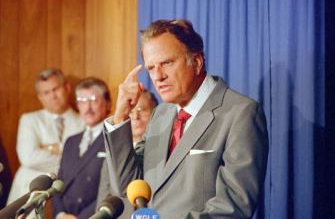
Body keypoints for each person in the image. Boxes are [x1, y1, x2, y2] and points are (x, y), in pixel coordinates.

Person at [103, 19, 269, 218]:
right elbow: (128, 184)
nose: (158, 76)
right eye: (151, 68)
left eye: (167, 63)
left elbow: (232, 207)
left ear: (196, 62)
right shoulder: (160, 114)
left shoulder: (240, 113)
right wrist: (120, 116)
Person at [7, 68, 84, 204]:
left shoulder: (84, 122)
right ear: (40, 97)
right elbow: (29, 158)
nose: (52, 96)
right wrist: (68, 156)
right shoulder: (29, 120)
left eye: (55, 89)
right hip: (29, 193)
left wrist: (50, 148)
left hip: (69, 193)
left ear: (67, 88)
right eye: (46, 92)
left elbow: (84, 159)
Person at [53, 77, 112, 219]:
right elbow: (58, 184)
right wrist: (61, 214)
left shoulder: (113, 139)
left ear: (108, 104)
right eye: (82, 101)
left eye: (94, 100)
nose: (88, 107)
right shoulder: (71, 142)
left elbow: (110, 189)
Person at [96, 90, 157, 218]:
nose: (135, 116)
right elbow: (103, 197)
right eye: (131, 111)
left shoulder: (162, 150)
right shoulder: (114, 152)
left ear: (155, 112)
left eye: (142, 109)